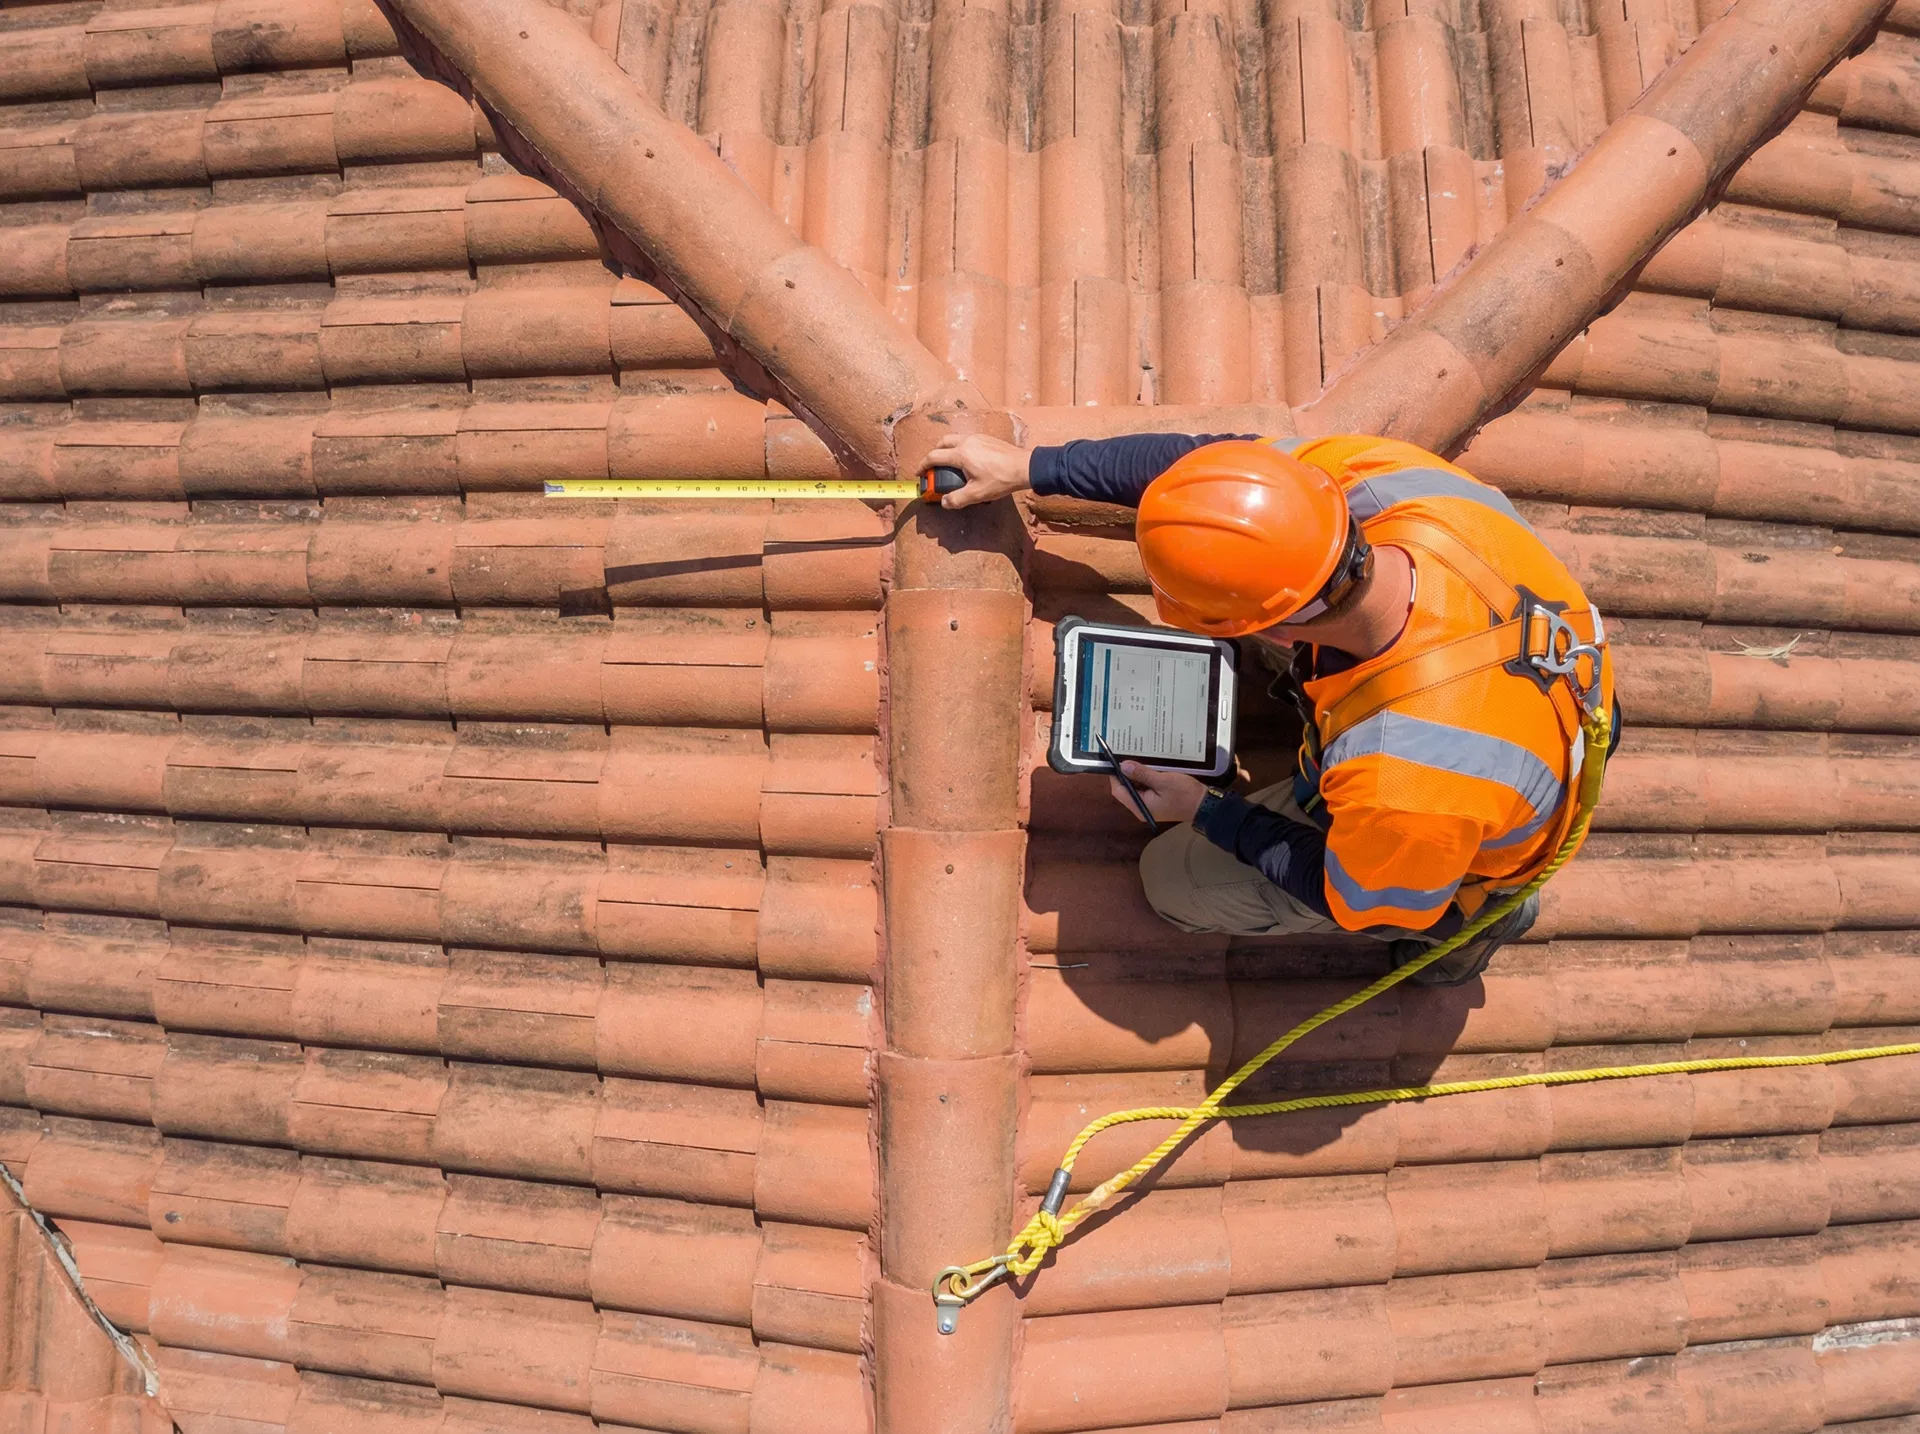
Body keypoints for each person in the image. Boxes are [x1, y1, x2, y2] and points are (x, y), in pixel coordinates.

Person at [924, 429, 1620, 985]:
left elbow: (1353, 901)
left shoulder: (1406, 777)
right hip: (1540, 689)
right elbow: (1205, 472)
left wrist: (1205, 811)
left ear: (1281, 632)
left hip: (1456, 830)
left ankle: (1481, 920)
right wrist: (1028, 466)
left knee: (1173, 880)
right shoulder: (1386, 481)